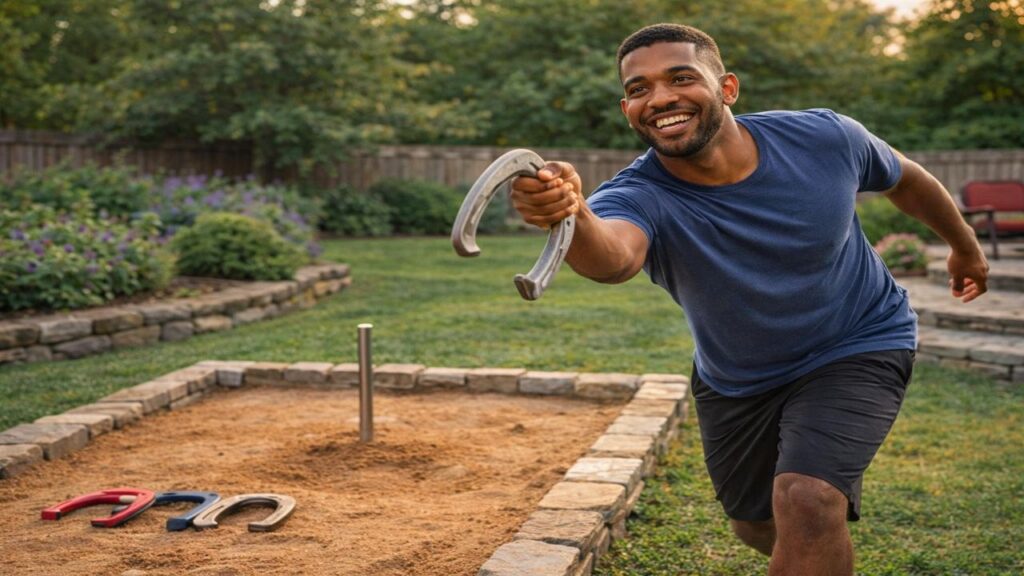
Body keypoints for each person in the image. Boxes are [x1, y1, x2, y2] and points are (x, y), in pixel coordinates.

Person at [510, 22, 989, 576]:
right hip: (737, 376)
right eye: (639, 89)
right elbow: (614, 259)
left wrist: (964, 247)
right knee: (755, 524)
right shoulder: (638, 194)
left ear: (727, 88)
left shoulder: (825, 138)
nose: (659, 98)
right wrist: (571, 214)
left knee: (807, 500)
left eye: (681, 78)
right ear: (627, 110)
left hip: (858, 339)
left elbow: (905, 178)